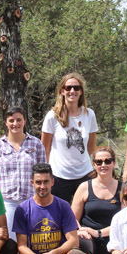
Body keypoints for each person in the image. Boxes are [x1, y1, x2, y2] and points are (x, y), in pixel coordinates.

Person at [14, 164, 89, 254]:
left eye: (46, 182)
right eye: (38, 182)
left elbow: (73, 241)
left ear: (52, 182)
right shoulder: (23, 209)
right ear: (32, 183)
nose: (42, 186)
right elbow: (21, 246)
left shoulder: (63, 206)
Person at [70, 146, 122, 254]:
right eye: (99, 162)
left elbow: (125, 221)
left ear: (114, 163)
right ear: (94, 165)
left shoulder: (123, 188)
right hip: (88, 236)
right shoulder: (85, 187)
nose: (103, 165)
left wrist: (100, 233)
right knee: (83, 245)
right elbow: (73, 217)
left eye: (107, 161)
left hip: (113, 236)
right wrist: (81, 230)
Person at [40, 73, 98, 203]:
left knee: (85, 215)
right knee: (59, 216)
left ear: (81, 91)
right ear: (62, 91)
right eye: (68, 88)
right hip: (59, 176)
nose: (72, 91)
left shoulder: (89, 115)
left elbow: (91, 147)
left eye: (76, 88)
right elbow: (45, 149)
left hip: (84, 174)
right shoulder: (52, 116)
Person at [0, 106, 46, 229]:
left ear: (25, 121)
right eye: (11, 120)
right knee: (10, 240)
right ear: (6, 123)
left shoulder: (36, 144)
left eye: (19, 120)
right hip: (7, 201)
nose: (15, 124)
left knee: (33, 238)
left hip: (31, 199)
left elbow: (43, 172)